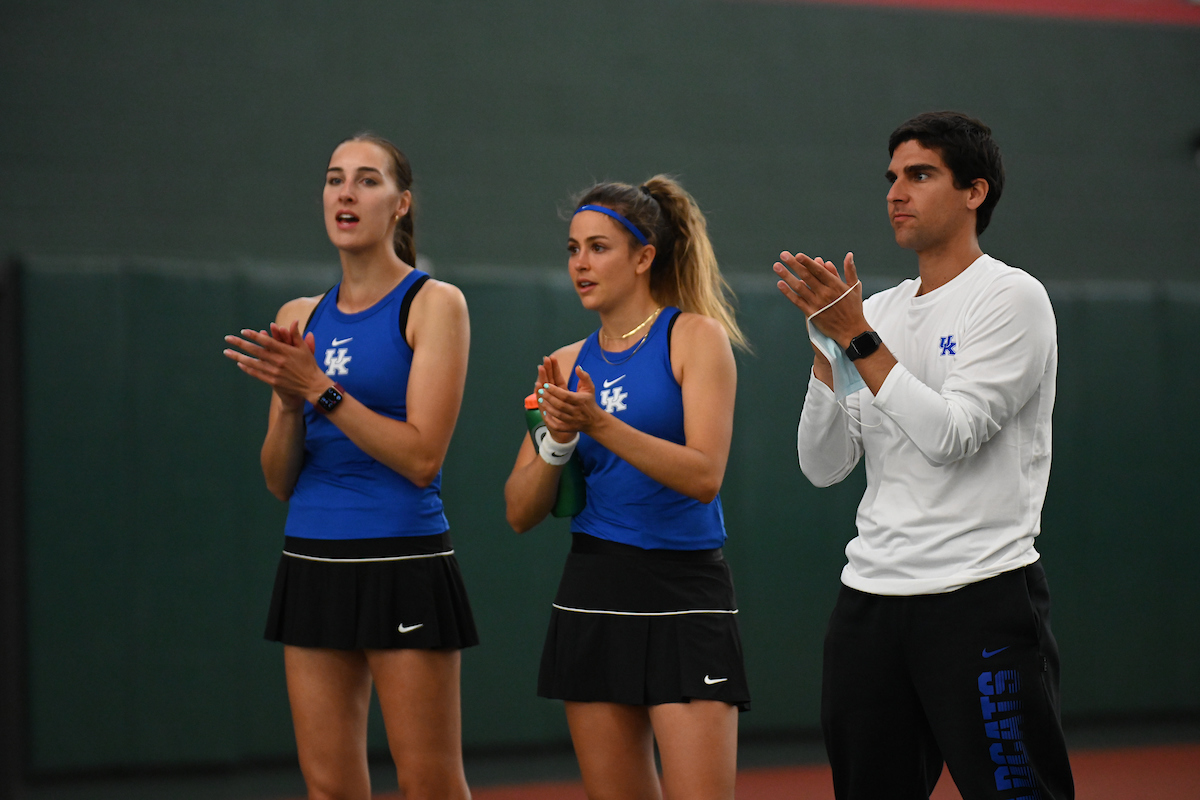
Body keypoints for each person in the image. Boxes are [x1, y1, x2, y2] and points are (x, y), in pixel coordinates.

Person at [774, 111, 1074, 800]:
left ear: (975, 191)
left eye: (919, 175)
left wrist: (856, 339)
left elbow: (950, 435)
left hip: (980, 598)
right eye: (891, 178)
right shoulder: (874, 312)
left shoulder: (1011, 297)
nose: (895, 192)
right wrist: (827, 353)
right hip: (870, 607)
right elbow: (823, 466)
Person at [223, 133, 476, 800]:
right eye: (336, 179)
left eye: (367, 179)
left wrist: (319, 390)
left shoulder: (434, 303)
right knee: (329, 785)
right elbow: (280, 480)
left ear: (401, 204)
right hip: (312, 561)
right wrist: (285, 404)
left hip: (402, 564)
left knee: (429, 783)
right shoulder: (298, 317)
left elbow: (422, 458)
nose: (346, 191)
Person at [505, 176, 750, 800]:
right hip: (594, 589)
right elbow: (519, 511)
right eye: (572, 249)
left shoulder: (695, 338)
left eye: (598, 247)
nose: (580, 264)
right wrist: (557, 442)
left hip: (683, 591)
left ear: (644, 257)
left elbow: (704, 476)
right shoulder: (562, 364)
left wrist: (598, 424)